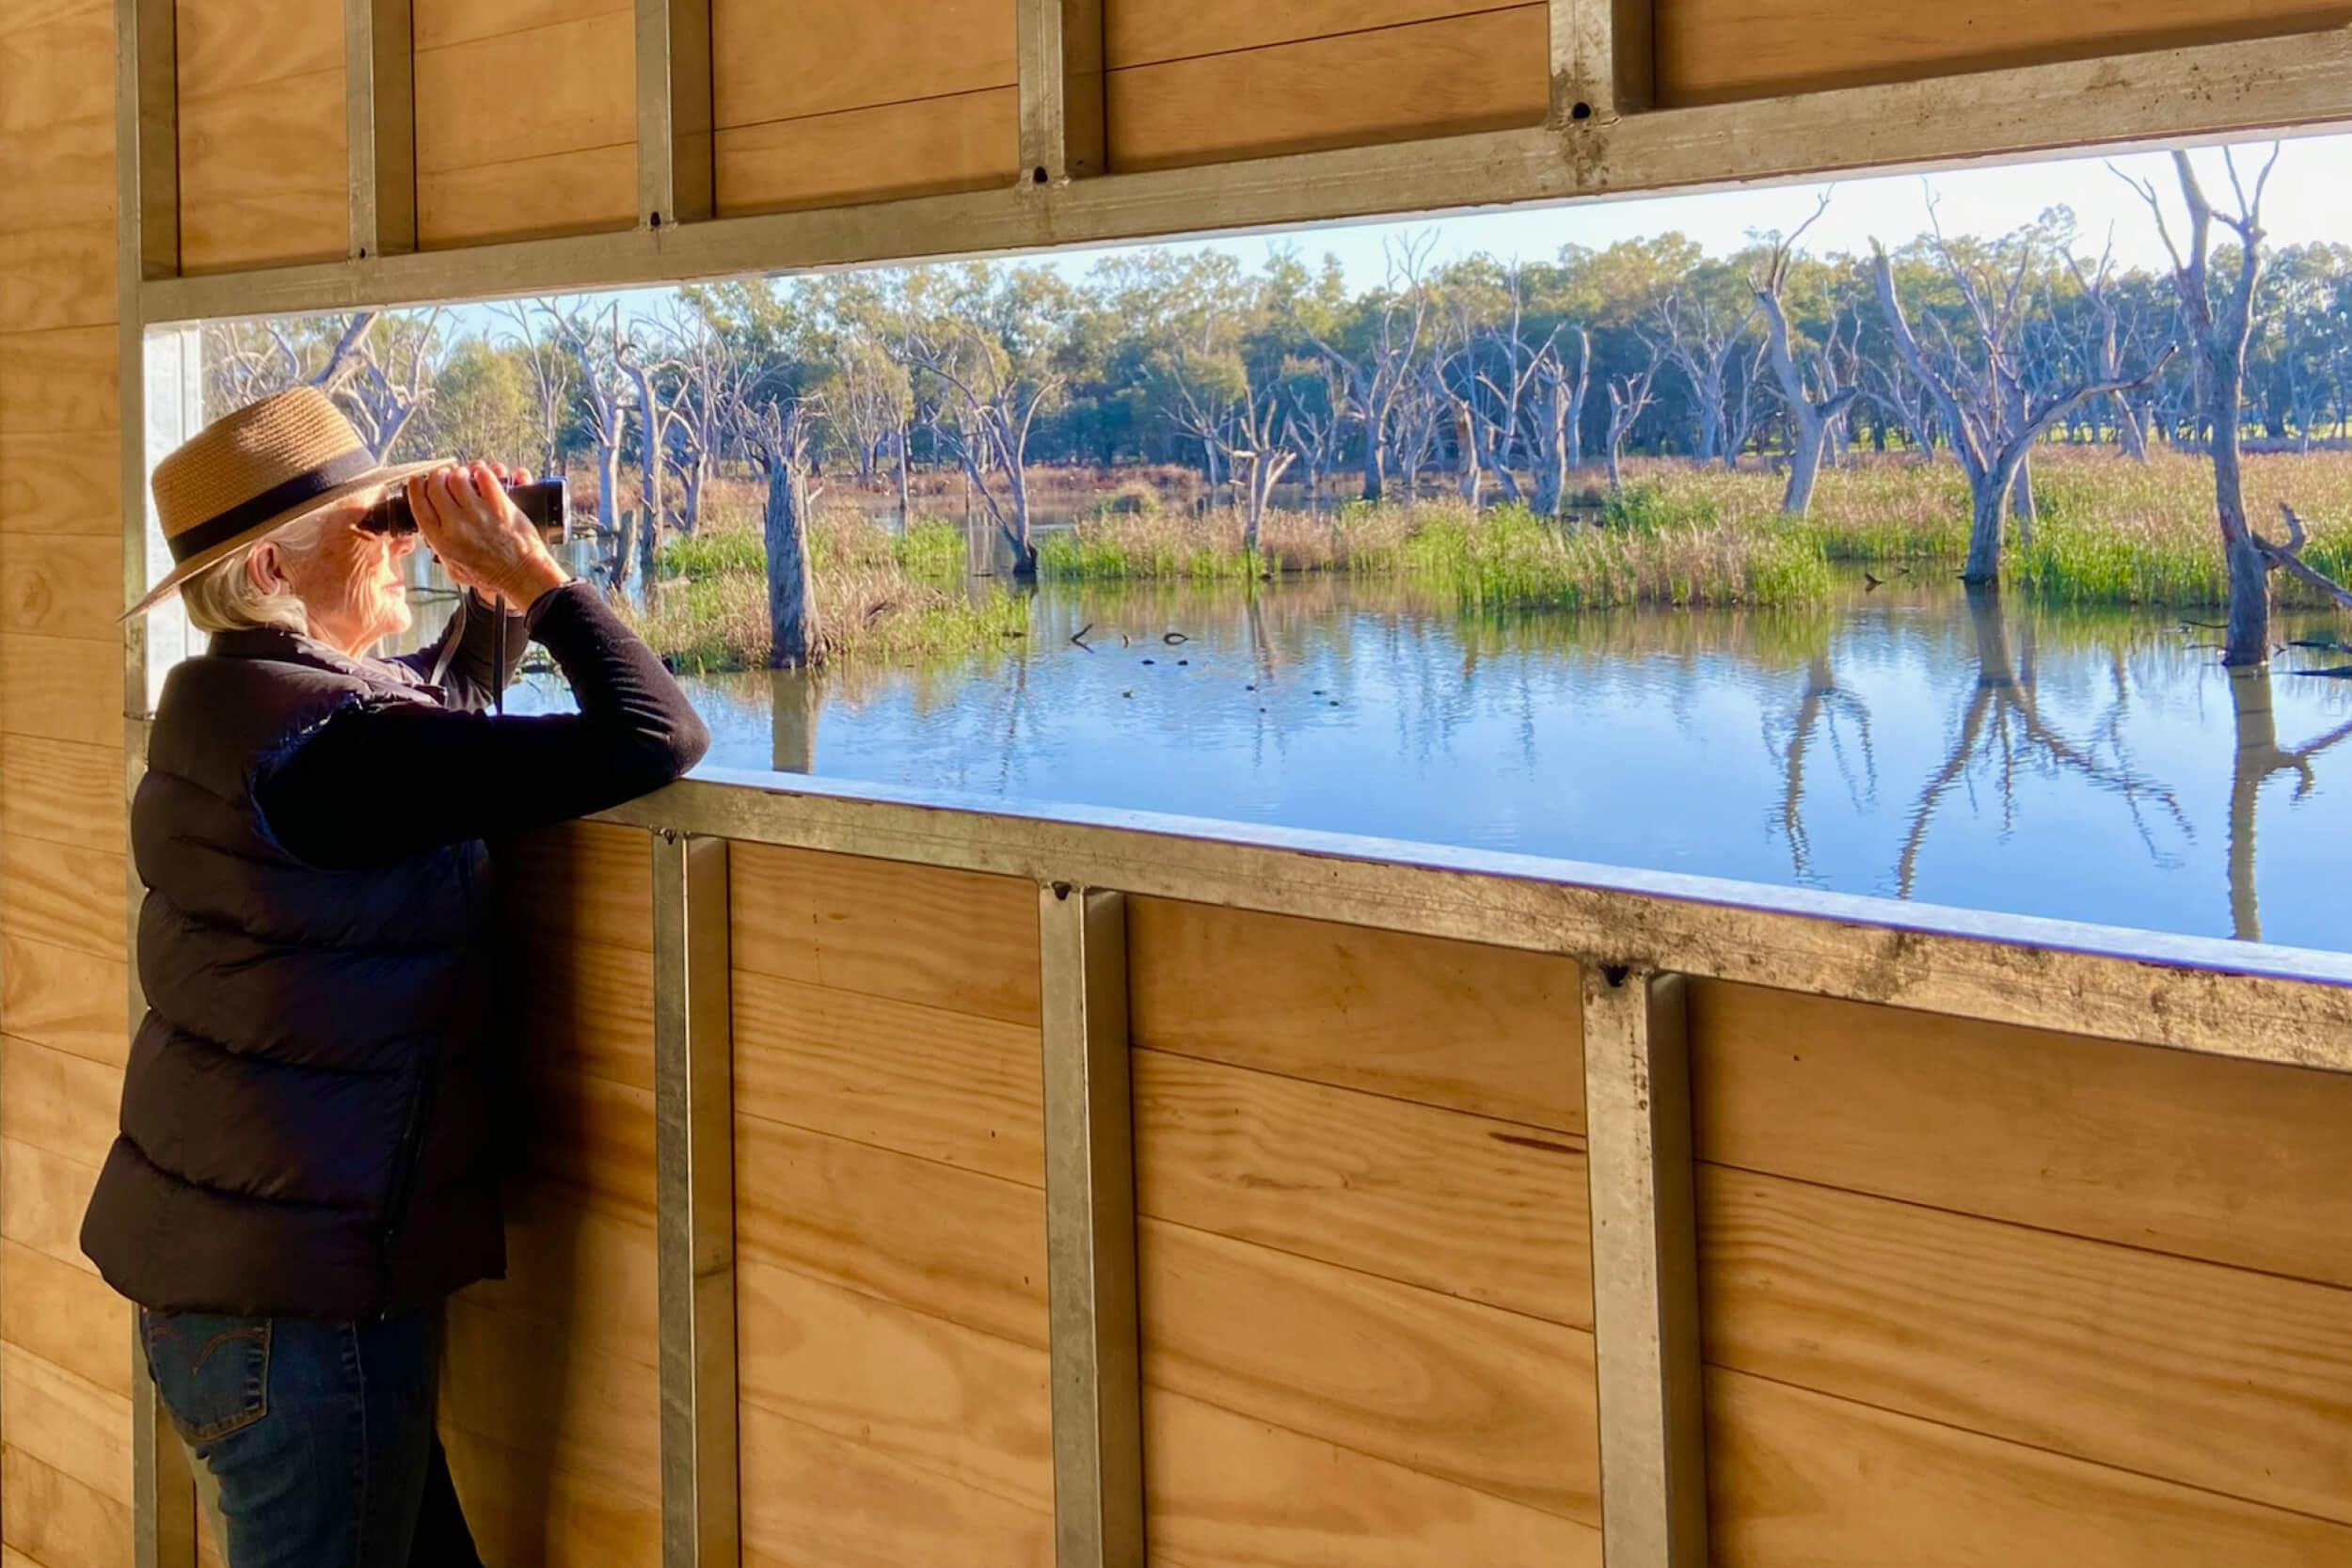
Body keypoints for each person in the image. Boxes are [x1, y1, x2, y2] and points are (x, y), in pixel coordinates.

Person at [78, 385, 709, 1567]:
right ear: (271, 568)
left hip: (245, 1283)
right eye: (377, 525)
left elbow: (442, 718)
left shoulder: (226, 698)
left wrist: (489, 587)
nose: (402, 543)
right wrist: (534, 583)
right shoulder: (331, 748)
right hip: (297, 1317)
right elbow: (654, 738)